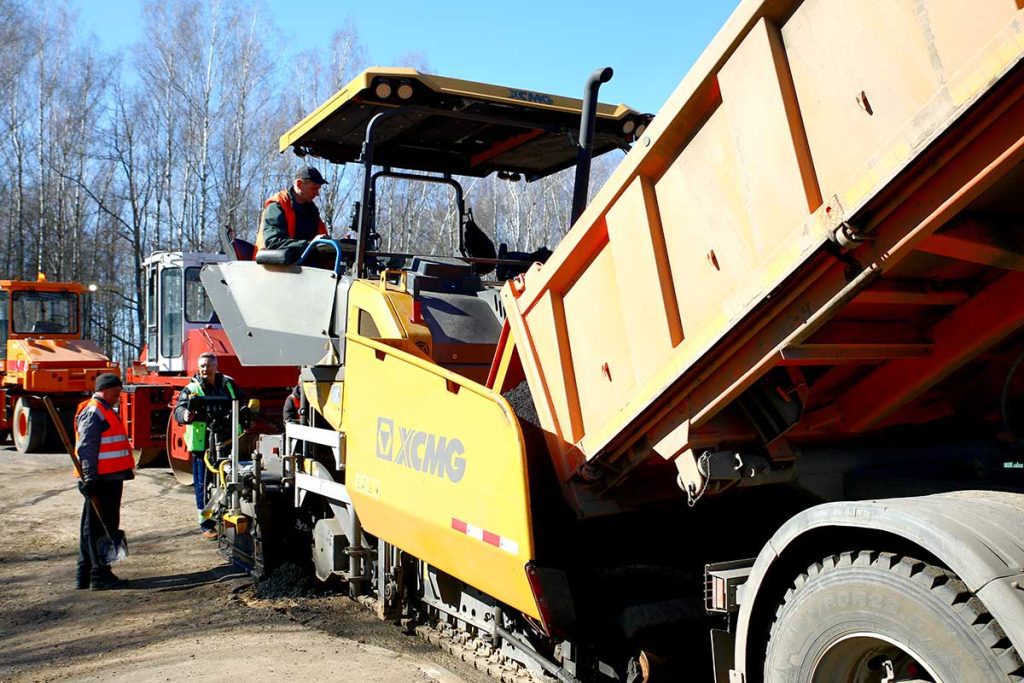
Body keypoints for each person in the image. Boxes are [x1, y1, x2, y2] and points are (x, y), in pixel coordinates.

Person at [172, 352, 243, 540]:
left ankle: (229, 516)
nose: (204, 369)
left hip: (228, 440)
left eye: (208, 366)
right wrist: (185, 415)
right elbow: (178, 410)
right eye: (202, 366)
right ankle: (206, 524)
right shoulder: (192, 388)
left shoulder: (228, 384)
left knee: (230, 478)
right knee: (203, 484)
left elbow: (242, 403)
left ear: (216, 366)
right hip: (202, 443)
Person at [75, 373, 134, 590]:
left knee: (92, 527)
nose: (119, 397)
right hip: (101, 480)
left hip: (107, 478)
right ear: (107, 390)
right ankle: (100, 574)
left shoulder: (103, 410)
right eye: (117, 392)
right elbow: (87, 447)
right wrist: (89, 478)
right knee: (100, 528)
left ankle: (85, 573)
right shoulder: (94, 412)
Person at [255, 166, 330, 252]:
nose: (317, 194)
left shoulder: (312, 211)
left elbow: (321, 239)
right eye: (314, 189)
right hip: (273, 263)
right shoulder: (277, 206)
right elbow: (273, 243)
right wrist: (310, 245)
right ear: (299, 184)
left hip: (301, 262)